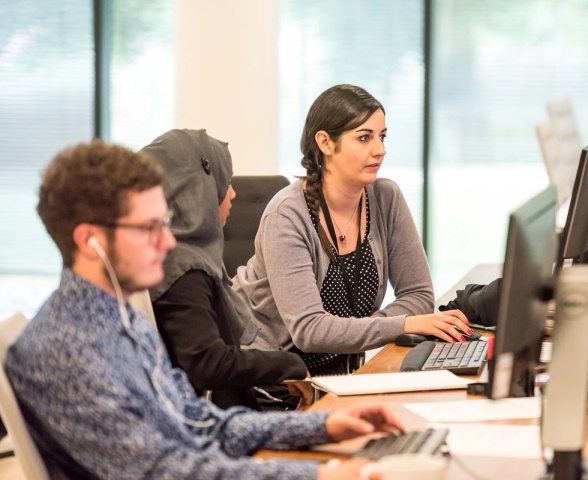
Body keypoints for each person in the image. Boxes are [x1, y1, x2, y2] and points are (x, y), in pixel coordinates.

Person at [5, 139, 403, 479]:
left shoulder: (120, 319)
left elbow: (200, 421)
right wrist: (317, 474)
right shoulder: (68, 349)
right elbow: (168, 471)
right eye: (149, 228)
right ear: (90, 240)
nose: (166, 242)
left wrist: (322, 426)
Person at [233, 84, 472, 375]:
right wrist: (402, 323)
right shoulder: (287, 215)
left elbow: (419, 295)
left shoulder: (386, 198)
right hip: (275, 378)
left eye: (382, 137)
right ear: (325, 143)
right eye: (364, 138)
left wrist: (345, 329)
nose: (380, 150)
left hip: (341, 372)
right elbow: (309, 331)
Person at [142, 129, 311, 411]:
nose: (232, 193)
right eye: (226, 182)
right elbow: (208, 364)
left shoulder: (176, 256)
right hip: (213, 424)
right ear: (198, 189)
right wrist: (289, 365)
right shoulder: (183, 268)